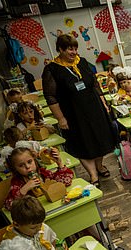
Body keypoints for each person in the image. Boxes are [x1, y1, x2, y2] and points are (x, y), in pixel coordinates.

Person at [42, 34, 115, 186]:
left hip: (94, 108)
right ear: (60, 49)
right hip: (73, 113)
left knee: (99, 139)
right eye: (70, 49)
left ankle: (100, 166)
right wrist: (61, 118)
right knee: (82, 143)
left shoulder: (82, 62)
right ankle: (93, 174)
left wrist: (104, 104)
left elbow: (95, 84)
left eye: (75, 48)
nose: (74, 52)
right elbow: (50, 97)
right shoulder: (52, 69)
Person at [3, 147, 73, 210]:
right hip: (36, 213)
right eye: (21, 165)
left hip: (55, 206)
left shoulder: (43, 173)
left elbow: (65, 182)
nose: (27, 167)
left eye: (29, 162)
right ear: (15, 169)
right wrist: (24, 189)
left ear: (34, 160)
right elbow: (9, 205)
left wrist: (59, 163)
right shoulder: (17, 182)